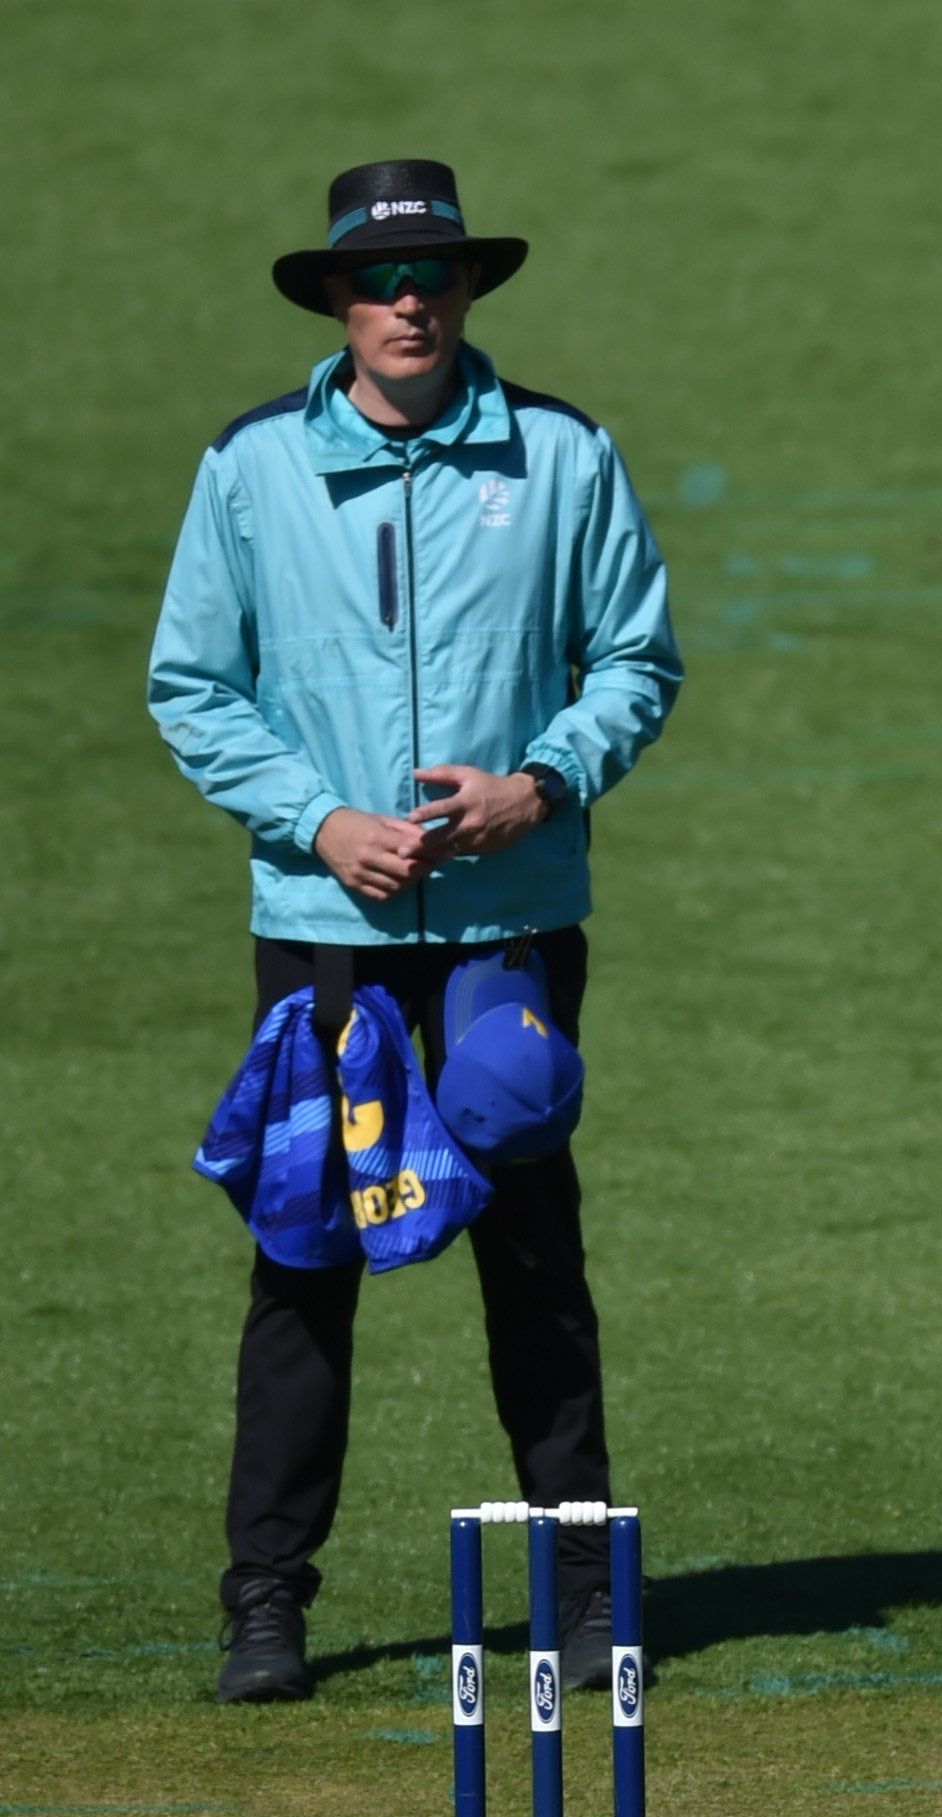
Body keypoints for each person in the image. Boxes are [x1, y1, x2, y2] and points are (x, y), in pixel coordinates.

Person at [149, 160, 681, 1703]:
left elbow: (635, 658)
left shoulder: (564, 457)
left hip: (512, 917)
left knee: (531, 1238)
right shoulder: (250, 468)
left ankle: (584, 1589)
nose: (408, 301)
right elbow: (193, 684)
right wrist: (320, 822)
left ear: (467, 291)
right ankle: (267, 1600)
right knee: (303, 1244)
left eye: (434, 276)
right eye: (380, 280)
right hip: (325, 923)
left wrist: (542, 782)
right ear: (333, 296)